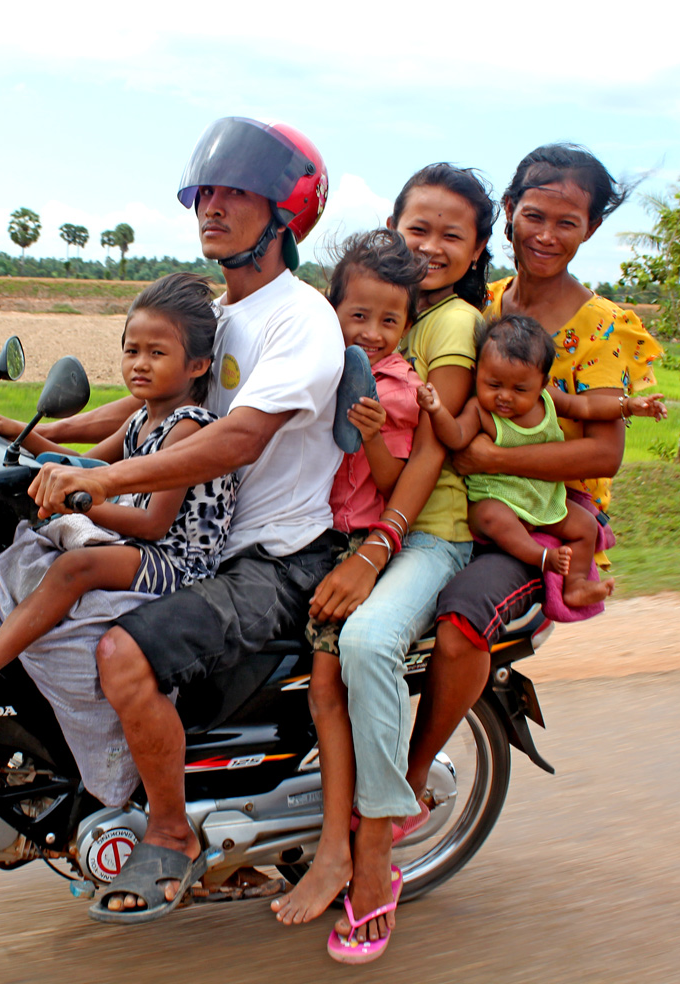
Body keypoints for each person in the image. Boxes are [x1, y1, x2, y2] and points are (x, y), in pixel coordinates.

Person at [28, 116, 342, 924]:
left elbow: (237, 438)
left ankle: (173, 832)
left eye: (237, 192)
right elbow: (152, 399)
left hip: (273, 559)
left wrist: (96, 483)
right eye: (206, 191)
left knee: (123, 653)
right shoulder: (223, 314)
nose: (213, 205)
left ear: (284, 213)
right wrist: (42, 440)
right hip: (192, 536)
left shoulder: (298, 318)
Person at [271, 164, 496, 959]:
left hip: (419, 530)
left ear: (474, 253)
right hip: (341, 529)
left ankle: (371, 859)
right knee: (320, 676)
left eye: (451, 234)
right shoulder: (369, 325)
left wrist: (376, 546)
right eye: (418, 228)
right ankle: (328, 833)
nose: (431, 246)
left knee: (363, 646)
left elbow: (426, 452)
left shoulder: (448, 330)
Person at [406, 144, 665, 827]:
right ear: (511, 214)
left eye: (569, 222)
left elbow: (603, 454)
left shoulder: (603, 327)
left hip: (545, 521)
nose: (547, 235)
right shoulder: (479, 304)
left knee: (462, 622)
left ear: (591, 231)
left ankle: (407, 781)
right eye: (535, 215)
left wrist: (491, 463)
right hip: (454, 500)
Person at [0, 273, 237, 719]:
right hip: (149, 547)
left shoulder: (187, 426)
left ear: (197, 366)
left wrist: (84, 502)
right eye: (131, 351)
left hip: (181, 561)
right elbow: (80, 465)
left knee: (77, 566)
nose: (140, 364)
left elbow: (155, 525)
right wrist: (14, 430)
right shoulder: (140, 420)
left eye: (157, 353)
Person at [256, 229, 430, 960]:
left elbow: (393, 489)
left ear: (406, 325)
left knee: (329, 683)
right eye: (359, 315)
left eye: (389, 320)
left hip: (360, 543)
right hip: (307, 529)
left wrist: (373, 437)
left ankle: (347, 850)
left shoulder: (397, 389)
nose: (373, 332)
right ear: (332, 309)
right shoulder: (321, 363)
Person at [419, 314, 665, 608]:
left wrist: (628, 406)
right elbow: (457, 437)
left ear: (542, 383)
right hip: (496, 497)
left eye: (519, 389)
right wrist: (436, 410)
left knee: (586, 526)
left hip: (543, 496)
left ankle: (575, 586)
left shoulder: (547, 400)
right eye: (493, 384)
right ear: (476, 374)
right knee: (490, 517)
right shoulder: (479, 411)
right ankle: (541, 557)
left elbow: (586, 405)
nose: (504, 397)